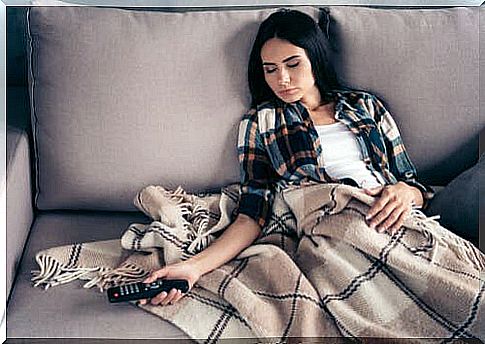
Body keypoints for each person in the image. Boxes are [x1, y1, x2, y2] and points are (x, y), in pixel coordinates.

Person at [139, 9, 434, 307]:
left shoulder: (366, 106)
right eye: (270, 69)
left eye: (293, 64)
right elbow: (253, 213)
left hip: (392, 219)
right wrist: (192, 268)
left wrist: (404, 193)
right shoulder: (262, 121)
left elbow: (416, 188)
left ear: (315, 59)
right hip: (331, 228)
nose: (282, 79)